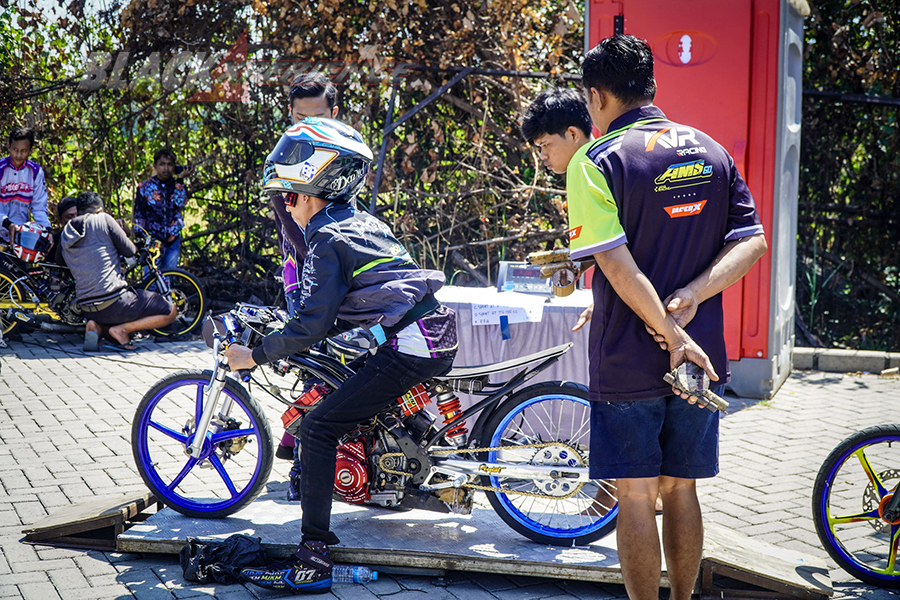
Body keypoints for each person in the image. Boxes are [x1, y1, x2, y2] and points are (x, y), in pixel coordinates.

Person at [568, 35, 767, 600]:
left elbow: (616, 264)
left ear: (597, 95)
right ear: (651, 86)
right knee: (681, 491)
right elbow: (752, 243)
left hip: (629, 354)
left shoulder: (597, 161)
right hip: (700, 358)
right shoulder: (709, 149)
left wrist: (668, 332)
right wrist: (694, 295)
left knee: (633, 494)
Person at [225, 118, 458, 594]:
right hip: (429, 333)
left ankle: (313, 556)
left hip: (412, 343)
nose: (287, 209)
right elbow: (336, 311)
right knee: (346, 399)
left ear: (312, 191)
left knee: (316, 427)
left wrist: (256, 354)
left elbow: (312, 324)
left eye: (289, 198)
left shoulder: (327, 238)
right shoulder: (359, 222)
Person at [273, 72, 342, 496]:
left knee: (340, 362)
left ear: (333, 114)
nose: (307, 127)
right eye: (299, 118)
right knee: (313, 364)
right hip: (302, 272)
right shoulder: (285, 157)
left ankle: (300, 446)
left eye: (316, 117)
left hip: (340, 266)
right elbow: (289, 222)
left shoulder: (345, 151)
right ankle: (301, 465)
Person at [62, 191, 177, 351]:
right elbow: (129, 251)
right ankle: (121, 330)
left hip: (87, 308)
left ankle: (96, 327)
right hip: (114, 302)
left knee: (116, 319)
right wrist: (125, 231)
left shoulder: (67, 231)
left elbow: (60, 260)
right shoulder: (103, 219)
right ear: (99, 210)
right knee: (170, 311)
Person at [133, 148, 191, 272]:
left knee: (169, 276)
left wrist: (180, 179)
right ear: (155, 166)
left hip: (172, 238)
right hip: (152, 240)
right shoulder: (145, 187)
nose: (166, 168)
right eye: (162, 164)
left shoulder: (177, 186)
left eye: (169, 165)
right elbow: (139, 214)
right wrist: (141, 236)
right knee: (151, 279)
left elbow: (180, 203)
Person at [520, 86, 594, 176]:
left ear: (573, 134)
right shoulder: (611, 159)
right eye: (540, 147)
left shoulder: (585, 171)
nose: (542, 156)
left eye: (546, 144)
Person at [1, 126, 51, 245]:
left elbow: (39, 207)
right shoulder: (1, 168)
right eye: (15, 149)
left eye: (23, 151)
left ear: (31, 150)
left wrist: (47, 231)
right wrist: (7, 224)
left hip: (20, 235)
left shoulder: (35, 172)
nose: (18, 154)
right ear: (9, 147)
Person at [51, 196, 77, 266]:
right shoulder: (54, 241)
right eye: (69, 217)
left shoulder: (90, 235)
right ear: (60, 220)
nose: (75, 220)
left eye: (78, 215)